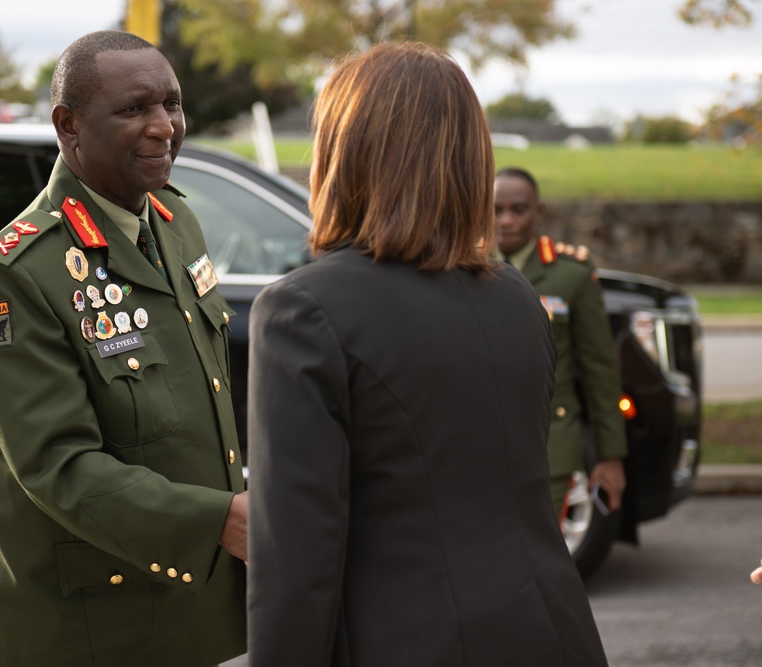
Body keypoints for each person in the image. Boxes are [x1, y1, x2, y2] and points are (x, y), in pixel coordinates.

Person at [246, 42, 609, 667]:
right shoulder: (516, 296)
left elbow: (296, 563)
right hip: (553, 631)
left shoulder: (301, 310)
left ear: (344, 152)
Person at [0, 31, 246, 667]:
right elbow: (58, 466)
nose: (163, 126)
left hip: (185, 604)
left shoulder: (174, 221)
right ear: (69, 126)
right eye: (134, 108)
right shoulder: (16, 275)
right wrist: (220, 521)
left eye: (171, 104)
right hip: (85, 624)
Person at [494, 166, 627, 518]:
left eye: (518, 209)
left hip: (550, 445)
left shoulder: (571, 274)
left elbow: (600, 371)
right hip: (482, 446)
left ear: (538, 212)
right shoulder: (467, 267)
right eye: (496, 210)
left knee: (540, 546)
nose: (506, 221)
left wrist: (610, 456)